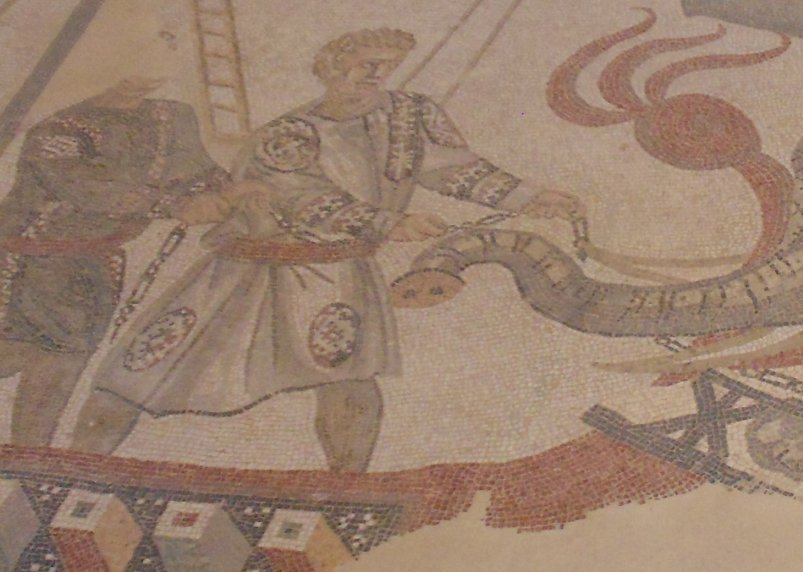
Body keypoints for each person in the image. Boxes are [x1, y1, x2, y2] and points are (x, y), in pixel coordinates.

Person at [71, 28, 585, 473]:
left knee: (350, 379)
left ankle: (344, 484)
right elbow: (299, 199)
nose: (376, 74)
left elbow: (456, 169)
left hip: (339, 271)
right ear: (330, 69)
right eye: (365, 64)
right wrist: (389, 222)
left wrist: (529, 197)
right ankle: (79, 463)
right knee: (148, 365)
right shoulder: (288, 136)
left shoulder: (409, 115)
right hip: (249, 272)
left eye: (386, 65)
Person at [0, 77, 227, 447]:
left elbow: (196, 170)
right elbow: (82, 185)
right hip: (31, 255)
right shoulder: (60, 126)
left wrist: (232, 192)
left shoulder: (170, 116)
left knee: (67, 352)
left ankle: (30, 455)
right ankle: (29, 453)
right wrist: (170, 204)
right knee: (37, 349)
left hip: (96, 259)